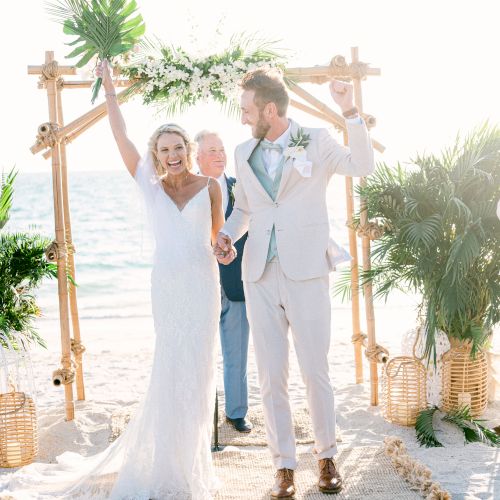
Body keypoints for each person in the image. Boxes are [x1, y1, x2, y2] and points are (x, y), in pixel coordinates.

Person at [5, 60, 224, 500]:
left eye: (178, 145)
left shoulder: (212, 186)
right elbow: (120, 135)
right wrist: (109, 89)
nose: (173, 154)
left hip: (202, 286)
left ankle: (191, 467)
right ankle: (166, 466)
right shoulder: (150, 185)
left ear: (188, 147)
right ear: (156, 155)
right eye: (164, 149)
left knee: (199, 375)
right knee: (169, 369)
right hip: (167, 288)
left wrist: (227, 247)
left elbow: (219, 238)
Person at [215, 68, 375, 498]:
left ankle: (326, 458)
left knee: (315, 370)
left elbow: (362, 165)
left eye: (248, 110)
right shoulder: (242, 151)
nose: (244, 118)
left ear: (270, 109)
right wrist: (228, 235)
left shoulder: (316, 140)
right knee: (271, 376)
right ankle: (283, 466)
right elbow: (245, 209)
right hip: (258, 275)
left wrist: (349, 111)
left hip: (306, 271)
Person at [195, 130, 252, 433]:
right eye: (211, 150)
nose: (219, 155)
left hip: (236, 282)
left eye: (221, 149)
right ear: (197, 157)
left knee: (237, 351)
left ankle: (236, 412)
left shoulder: (239, 189)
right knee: (197, 353)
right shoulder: (188, 191)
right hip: (200, 282)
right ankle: (199, 415)